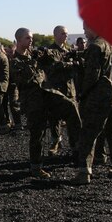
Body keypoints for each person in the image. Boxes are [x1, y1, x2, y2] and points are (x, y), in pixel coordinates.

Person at [11, 28, 82, 179]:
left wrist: (47, 54)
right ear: (18, 40)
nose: (31, 41)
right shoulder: (15, 61)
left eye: (31, 38)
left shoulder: (34, 53)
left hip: (48, 94)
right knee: (37, 134)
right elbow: (25, 79)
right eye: (27, 38)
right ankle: (36, 167)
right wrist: (34, 60)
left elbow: (54, 63)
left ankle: (77, 147)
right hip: (32, 100)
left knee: (71, 107)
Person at [70, 24, 112, 184]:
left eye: (86, 28)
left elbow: (92, 75)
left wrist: (82, 92)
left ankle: (84, 172)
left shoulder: (96, 47)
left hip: (100, 96)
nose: (84, 32)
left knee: (89, 133)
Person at [44, 25, 79, 156]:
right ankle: (56, 142)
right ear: (56, 35)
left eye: (66, 34)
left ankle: (74, 144)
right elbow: (53, 67)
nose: (66, 36)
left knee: (72, 119)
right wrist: (70, 64)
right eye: (63, 33)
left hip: (70, 89)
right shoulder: (49, 51)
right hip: (55, 89)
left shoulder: (69, 50)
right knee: (54, 118)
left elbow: (77, 67)